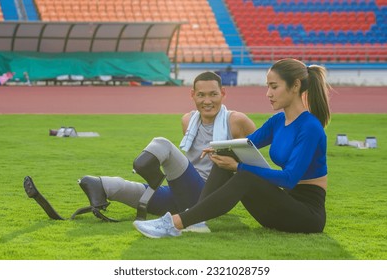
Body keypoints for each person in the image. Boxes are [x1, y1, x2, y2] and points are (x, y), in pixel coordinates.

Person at [24, 71, 256, 230]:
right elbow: (188, 165)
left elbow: (253, 163)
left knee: (162, 144)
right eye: (201, 94)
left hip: (208, 196)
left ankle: (146, 170)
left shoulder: (237, 121)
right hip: (183, 193)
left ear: (223, 94)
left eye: (213, 94)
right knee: (121, 189)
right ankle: (98, 185)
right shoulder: (188, 120)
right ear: (192, 95)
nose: (207, 100)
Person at [133, 58, 331, 238]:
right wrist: (220, 149)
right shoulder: (278, 121)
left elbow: (289, 180)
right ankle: (197, 220)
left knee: (243, 174)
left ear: (295, 86)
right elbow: (245, 145)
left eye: (274, 87)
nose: (268, 93)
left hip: (306, 216)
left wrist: (238, 167)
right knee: (226, 161)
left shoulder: (310, 127)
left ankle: (174, 223)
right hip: (281, 208)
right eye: (267, 86)